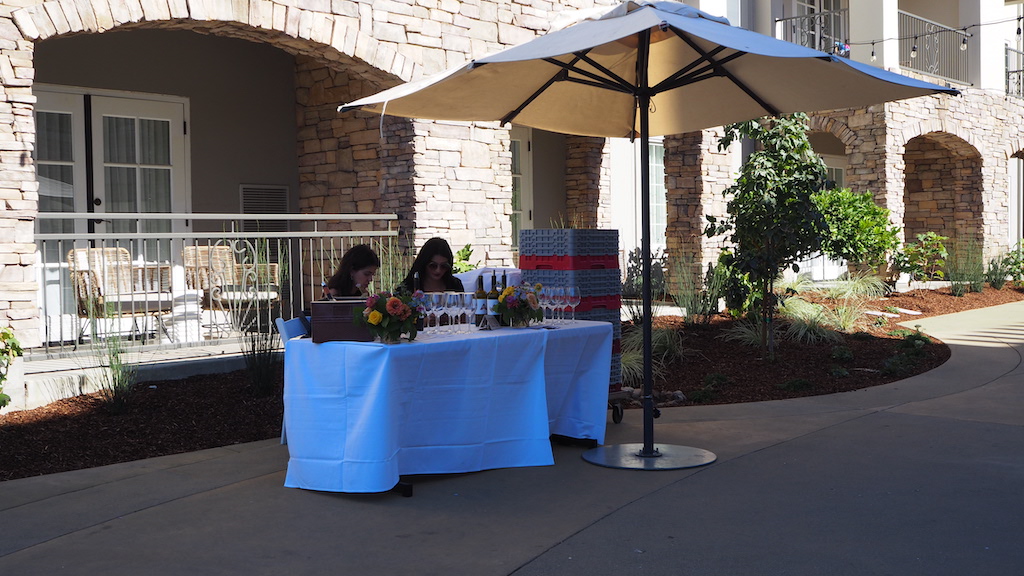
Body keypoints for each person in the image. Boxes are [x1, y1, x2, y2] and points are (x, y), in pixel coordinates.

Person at [400, 237, 465, 293]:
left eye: (444, 266)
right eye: (433, 266)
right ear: (424, 263)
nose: (438, 270)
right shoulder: (407, 287)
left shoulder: (455, 284)